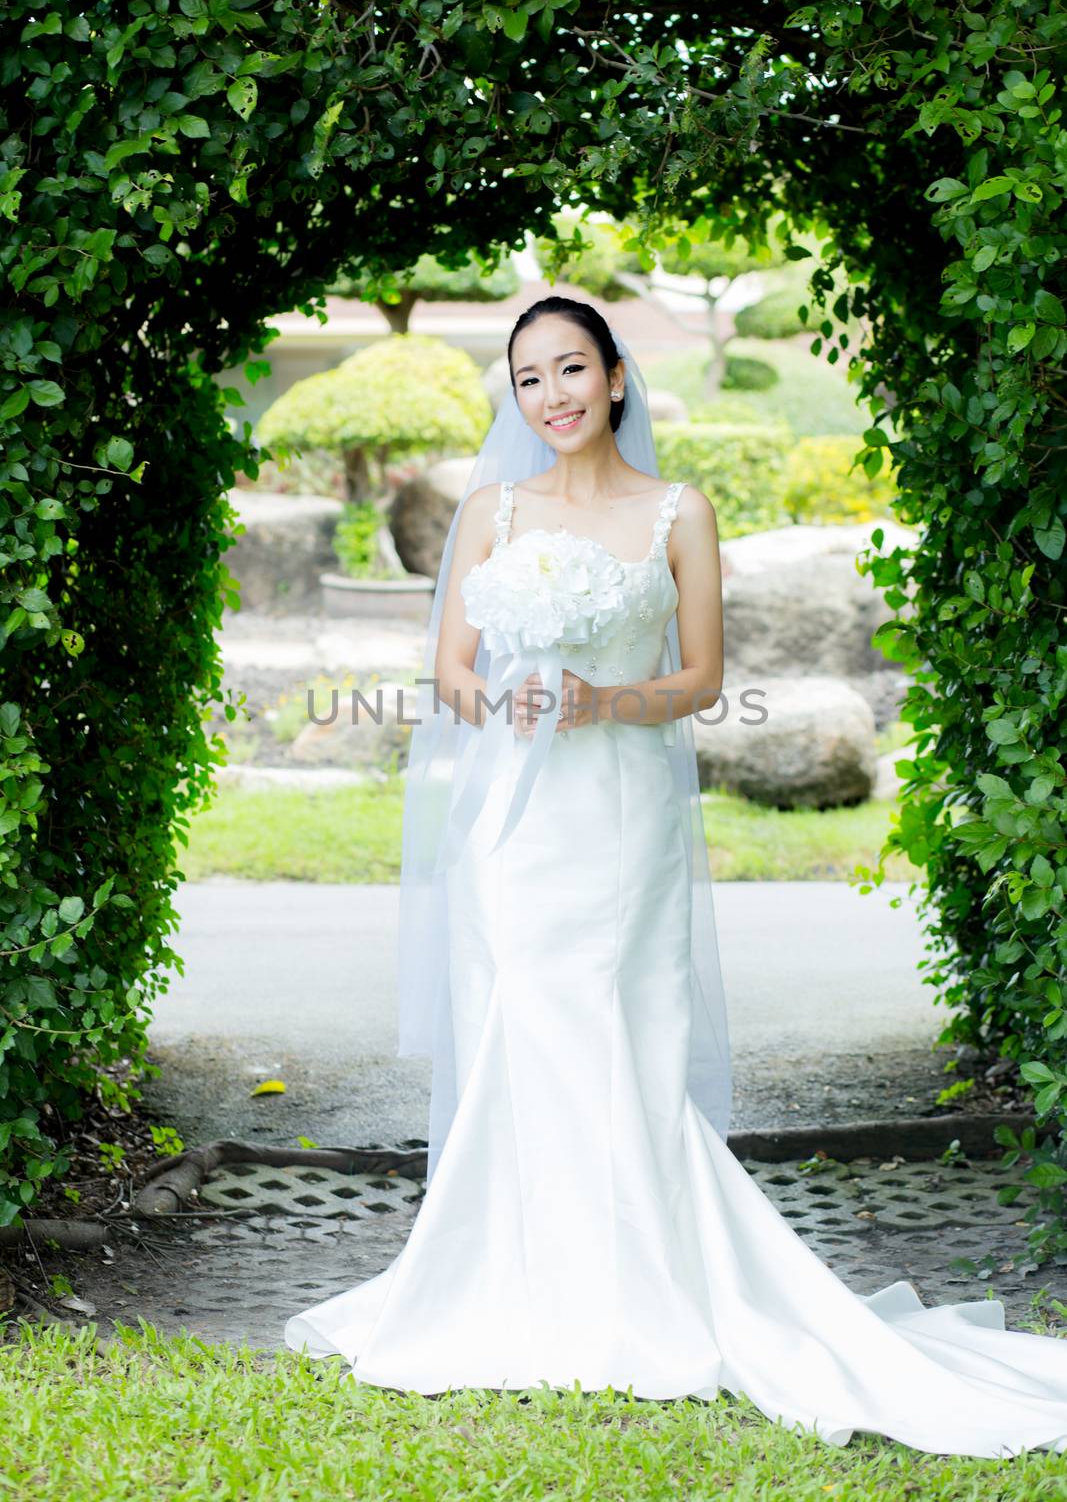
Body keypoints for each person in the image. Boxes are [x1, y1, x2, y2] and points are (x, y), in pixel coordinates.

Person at [285, 296, 1067, 1457]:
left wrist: (602, 699)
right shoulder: (490, 510)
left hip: (618, 808)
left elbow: (700, 677)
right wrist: (502, 700)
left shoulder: (676, 512)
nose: (548, 395)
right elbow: (449, 664)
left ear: (611, 377)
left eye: (568, 369)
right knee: (517, 1023)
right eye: (526, 377)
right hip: (513, 813)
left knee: (615, 1032)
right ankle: (505, 1278)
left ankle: (642, 1287)